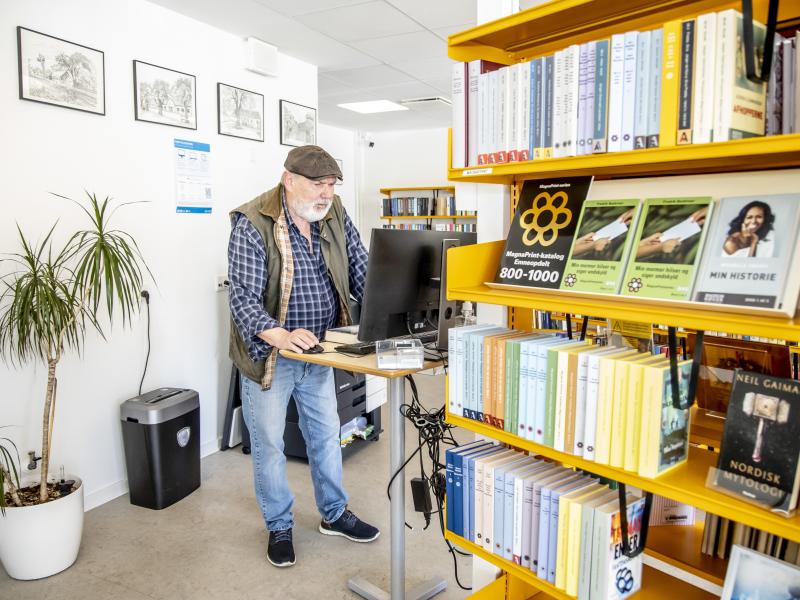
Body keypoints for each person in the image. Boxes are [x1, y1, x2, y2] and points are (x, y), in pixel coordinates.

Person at [227, 145, 379, 569]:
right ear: (288, 179)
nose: (326, 193)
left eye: (331, 184)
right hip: (269, 354)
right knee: (271, 446)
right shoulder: (251, 222)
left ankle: (334, 514)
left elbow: (360, 265)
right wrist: (280, 335)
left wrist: (386, 310)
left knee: (326, 435)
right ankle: (278, 524)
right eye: (318, 183)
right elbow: (241, 297)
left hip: (320, 351)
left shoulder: (333, 211)